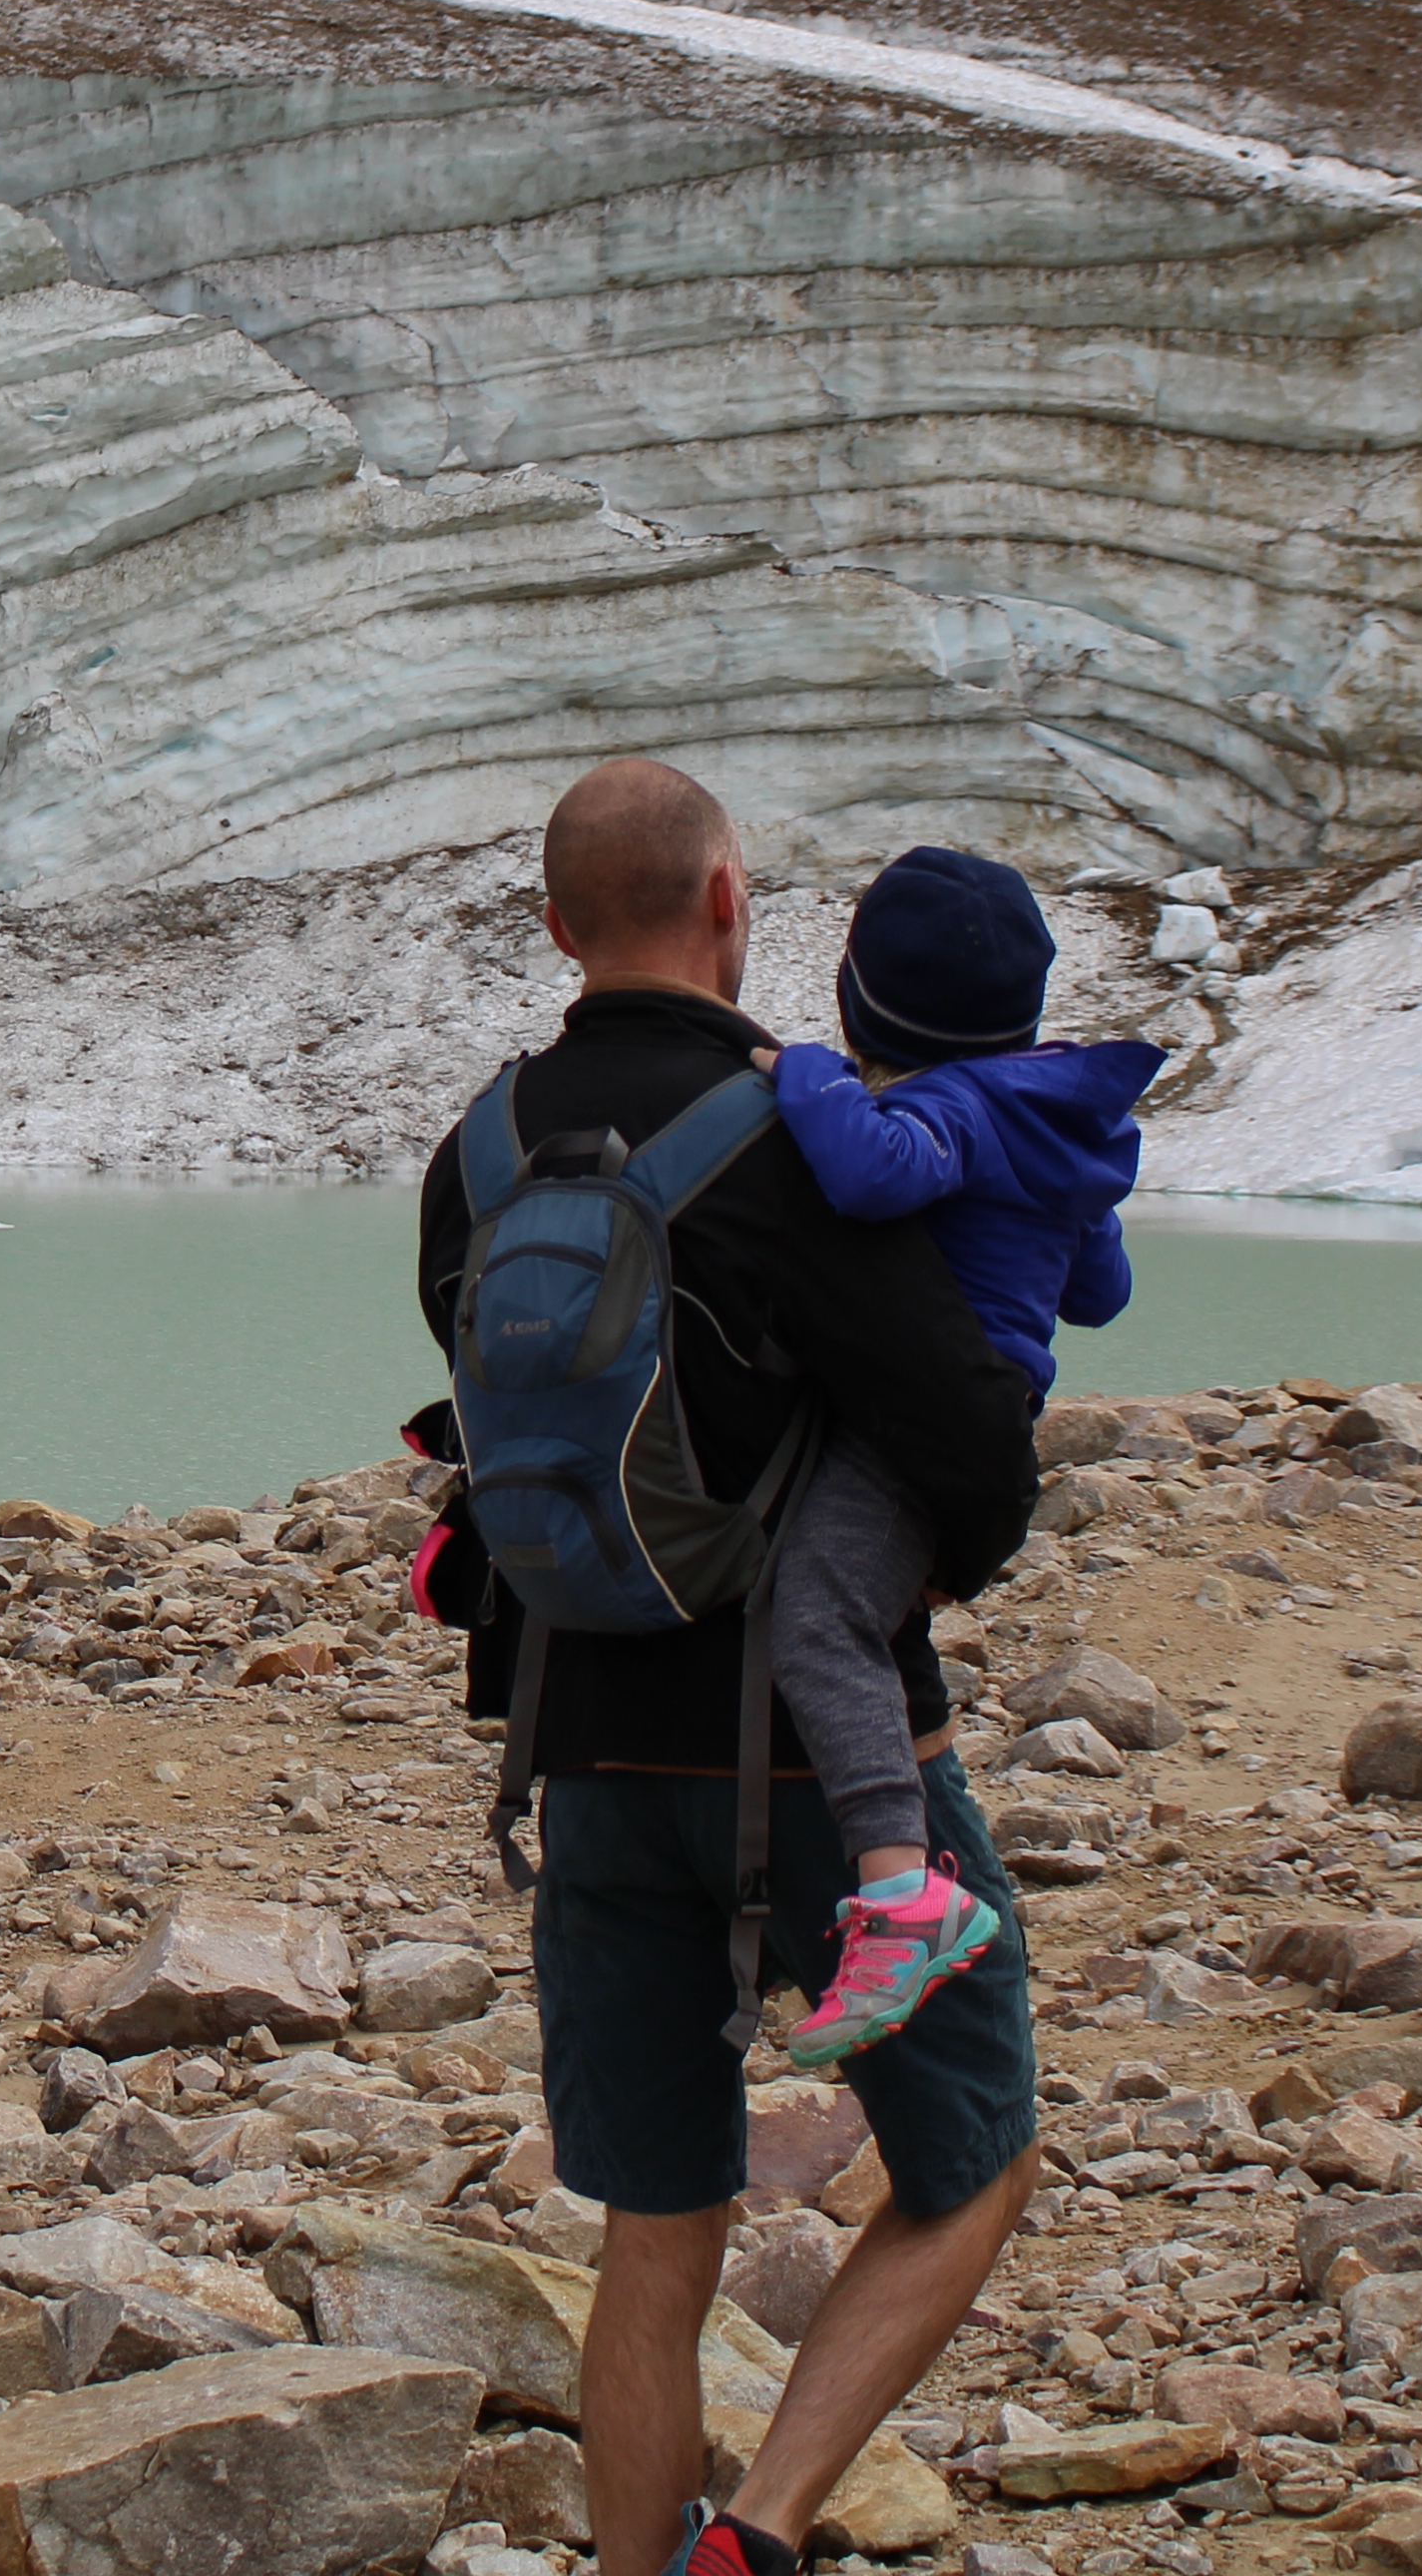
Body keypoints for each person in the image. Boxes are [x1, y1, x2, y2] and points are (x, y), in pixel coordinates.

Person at [415, 760, 1048, 2576]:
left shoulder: (473, 1154)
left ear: (551, 926)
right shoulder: (792, 1143)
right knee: (972, 2154)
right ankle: (754, 2528)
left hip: (584, 1760)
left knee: (651, 2222)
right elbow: (964, 1443)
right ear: (724, 906)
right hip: (818, 1761)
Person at [731, 843, 1165, 2074]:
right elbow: (1102, 1292)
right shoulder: (1049, 1118)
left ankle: (896, 1885)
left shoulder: (955, 1109)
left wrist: (806, 1075)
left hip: (921, 1420)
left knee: (816, 1614)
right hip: (990, 1407)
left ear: (869, 1006)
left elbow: (875, 1177)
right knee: (842, 1597)